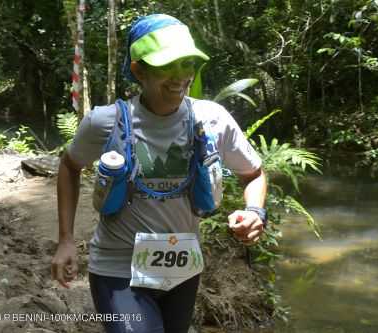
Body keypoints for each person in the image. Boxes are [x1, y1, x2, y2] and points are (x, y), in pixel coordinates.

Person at [51, 13, 267, 333]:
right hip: (117, 270)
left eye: (187, 64)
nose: (180, 76)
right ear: (139, 69)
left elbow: (254, 173)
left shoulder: (212, 119)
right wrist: (66, 240)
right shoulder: (104, 122)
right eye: (167, 65)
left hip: (182, 268)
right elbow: (69, 166)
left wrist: (254, 211)